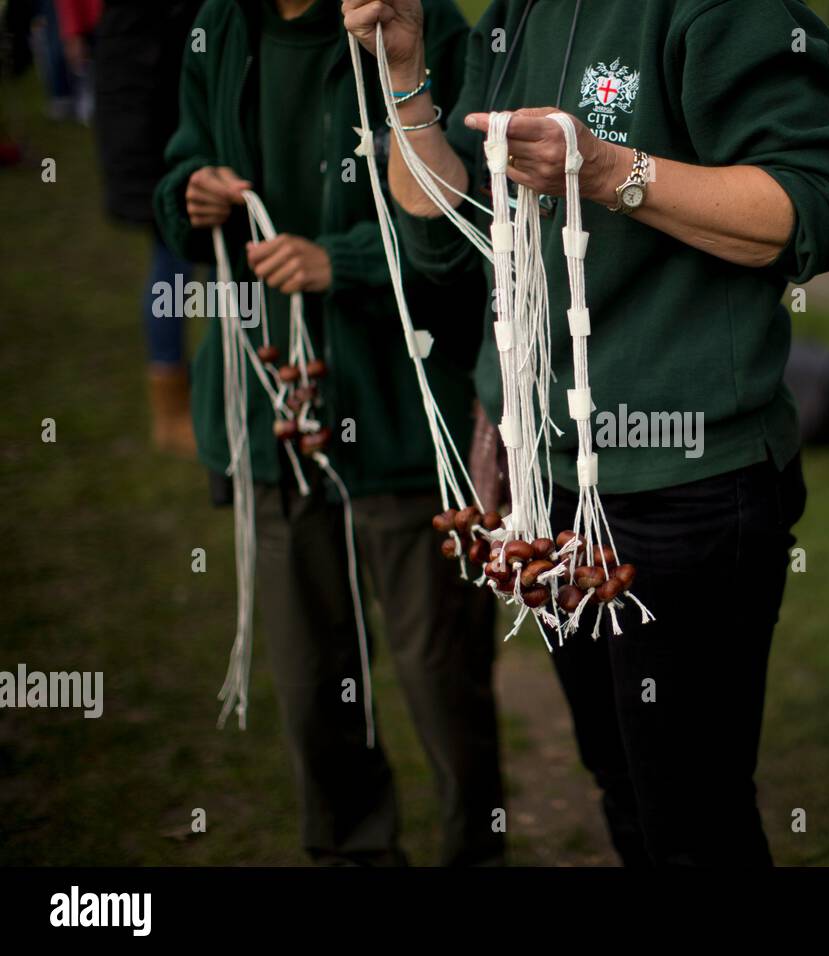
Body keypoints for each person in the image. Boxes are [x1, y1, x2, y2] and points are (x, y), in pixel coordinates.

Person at [344, 0, 829, 866]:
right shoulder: (515, 11)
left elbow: (812, 206)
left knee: (691, 814)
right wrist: (404, 73)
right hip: (547, 477)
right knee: (621, 782)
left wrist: (613, 171)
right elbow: (443, 236)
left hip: (685, 482)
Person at [153, 0, 504, 866]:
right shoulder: (220, 27)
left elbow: (462, 235)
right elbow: (175, 183)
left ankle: (477, 851)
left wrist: (337, 261)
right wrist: (189, 192)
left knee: (442, 686)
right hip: (277, 415)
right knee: (314, 693)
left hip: (402, 421)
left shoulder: (425, 29)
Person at [93, 0, 204, 456]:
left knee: (178, 267)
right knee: (171, 267)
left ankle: (190, 392)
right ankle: (171, 408)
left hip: (154, 141)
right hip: (155, 150)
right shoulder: (146, 25)